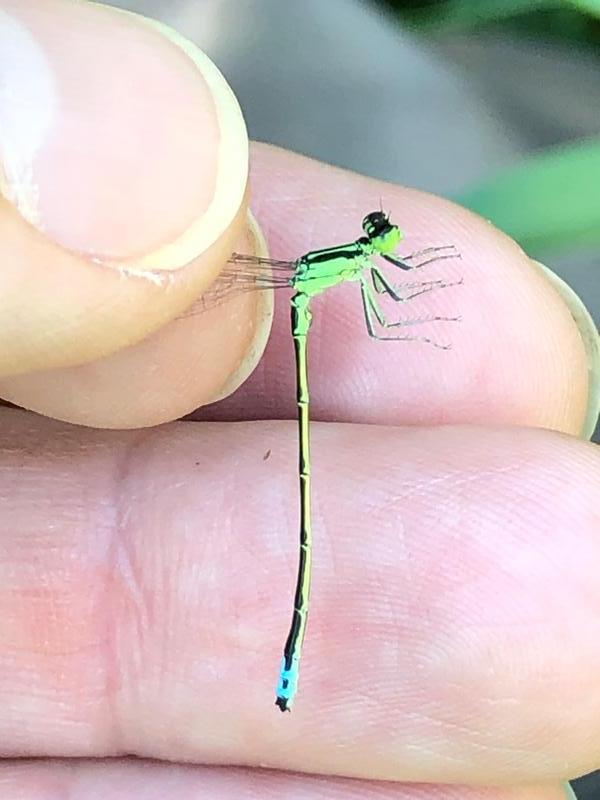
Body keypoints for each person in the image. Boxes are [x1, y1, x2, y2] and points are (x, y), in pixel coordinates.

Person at [0, 2, 597, 798]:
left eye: (382, 239)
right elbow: (388, 310)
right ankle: (289, 659)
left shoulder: (354, 258)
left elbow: (389, 301)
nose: (383, 244)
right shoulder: (340, 265)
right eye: (380, 240)